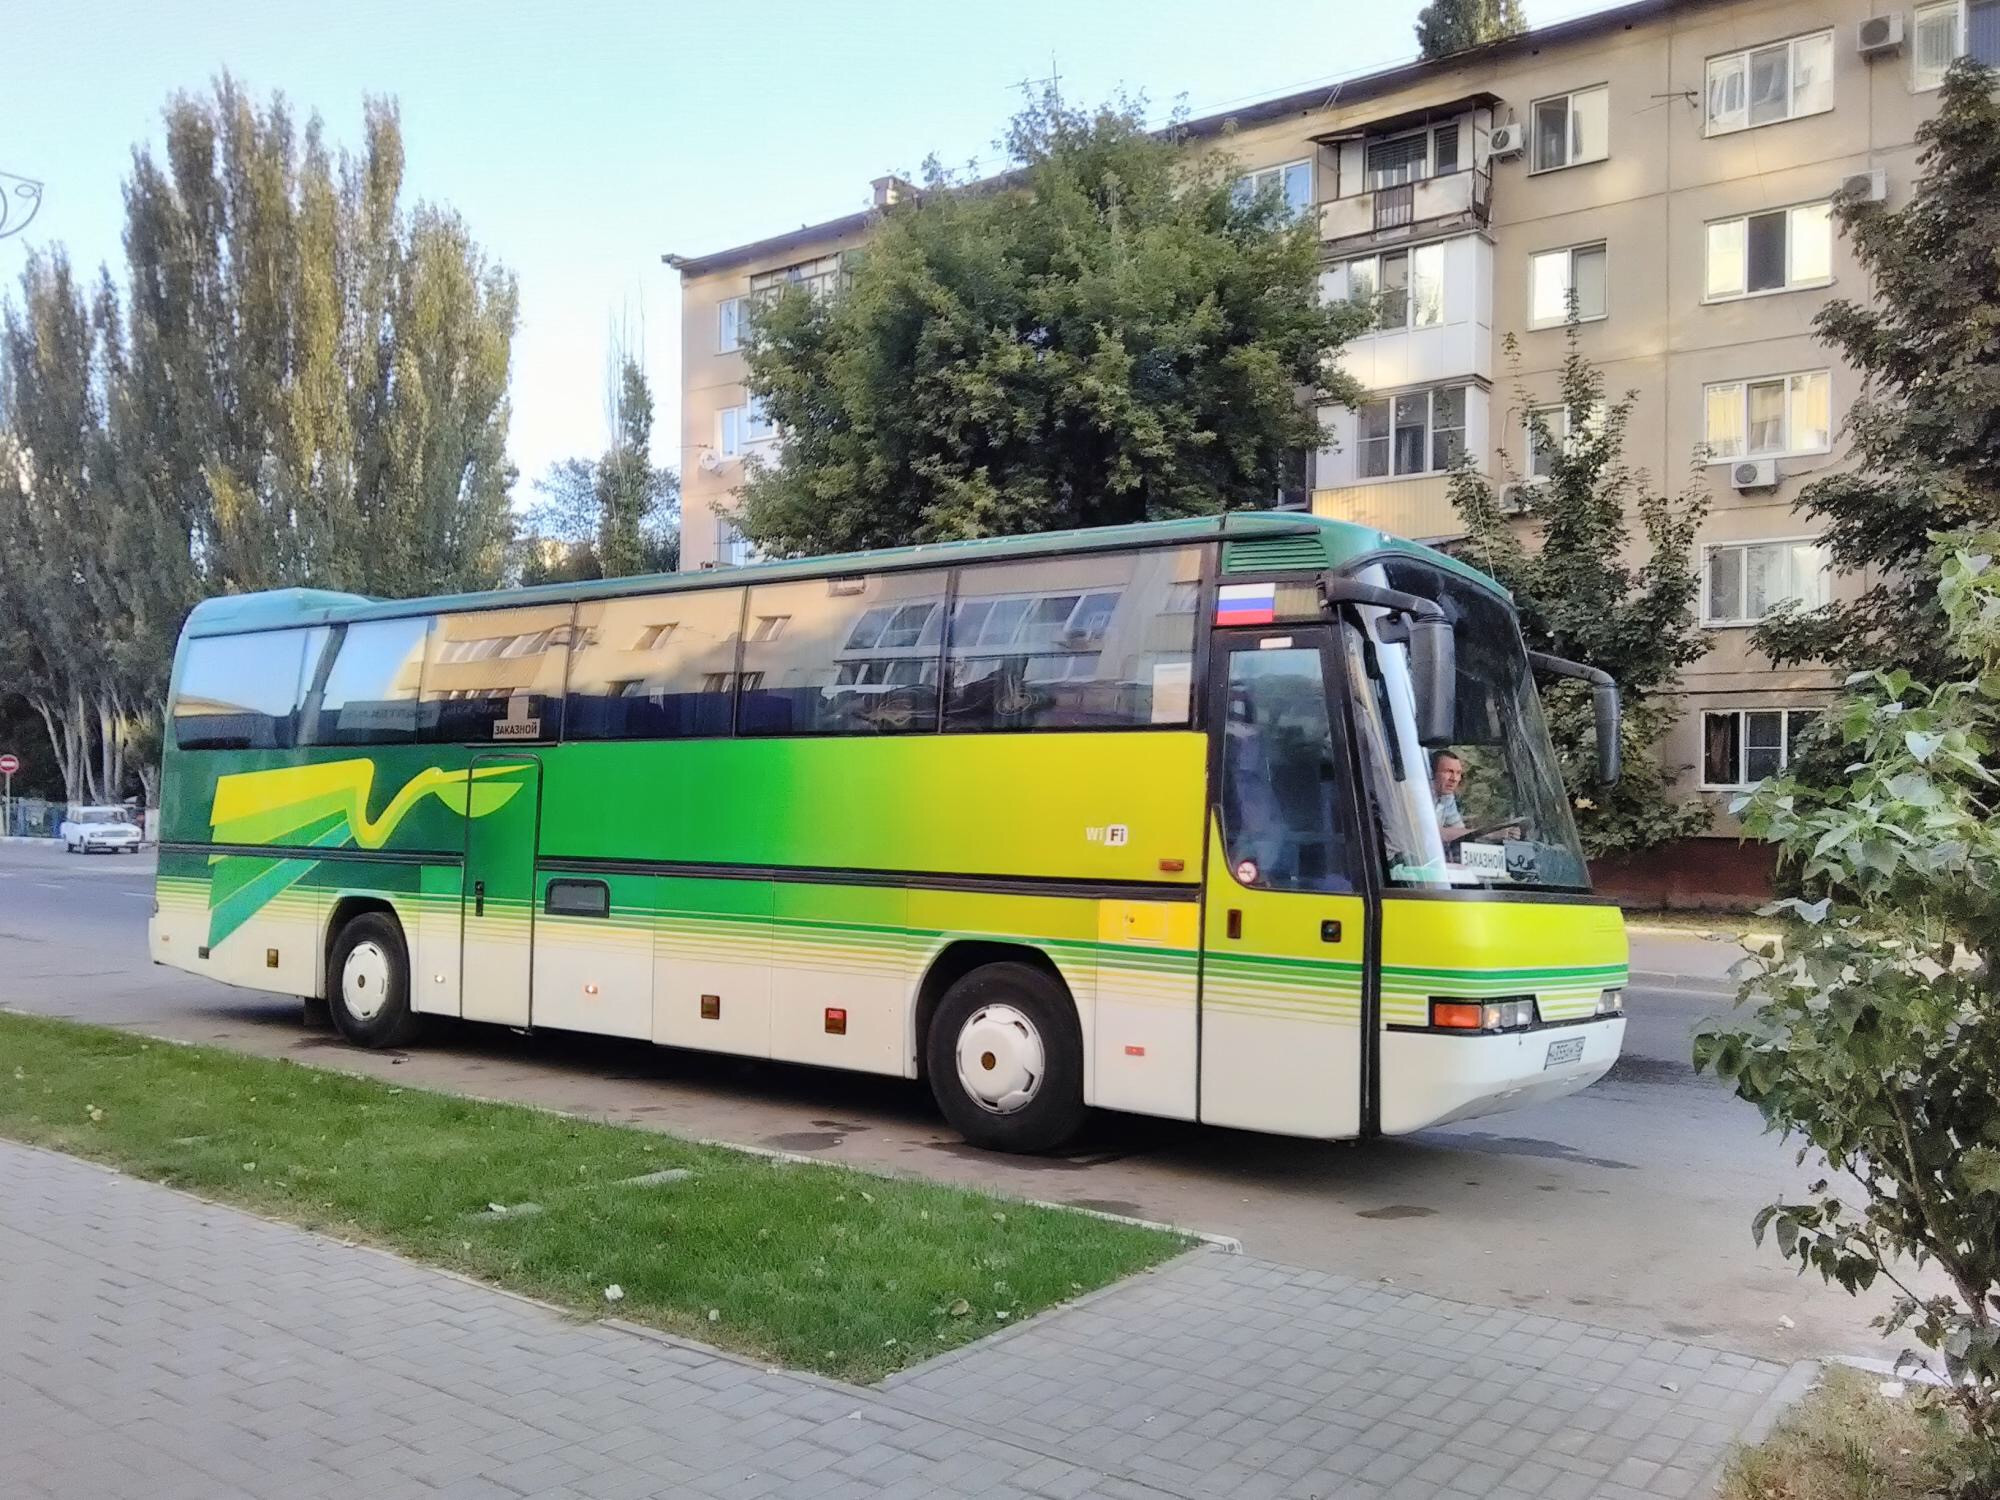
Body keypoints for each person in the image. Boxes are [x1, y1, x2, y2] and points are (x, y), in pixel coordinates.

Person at [1430, 749, 1469, 848]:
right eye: (1448, 771)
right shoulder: (1417, 794)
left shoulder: (1447, 797)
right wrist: (1491, 834)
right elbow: (1433, 833)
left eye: (1458, 773)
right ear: (1432, 773)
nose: (1454, 779)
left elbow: (1459, 830)